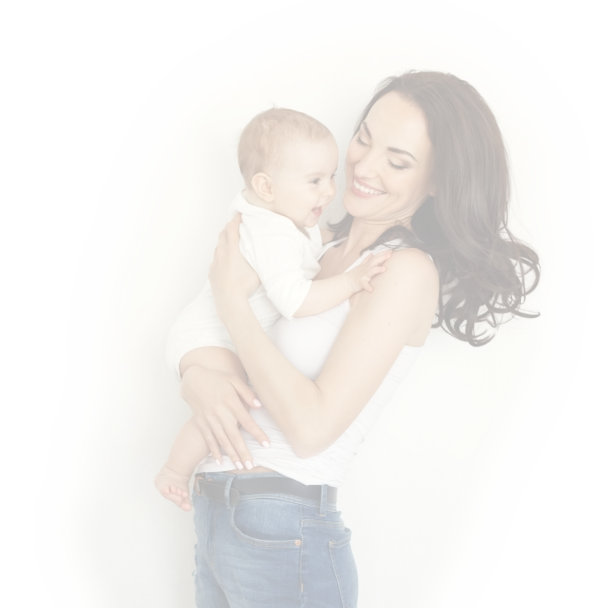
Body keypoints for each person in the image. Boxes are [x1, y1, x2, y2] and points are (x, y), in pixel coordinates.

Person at [166, 71, 540, 607]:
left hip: (283, 525)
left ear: (436, 180)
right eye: (364, 138)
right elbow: (221, 341)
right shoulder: (311, 245)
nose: (363, 166)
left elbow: (311, 429)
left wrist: (233, 305)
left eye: (398, 160)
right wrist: (197, 378)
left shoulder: (403, 270)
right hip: (221, 513)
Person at [155, 108, 390, 511]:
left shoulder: (284, 219)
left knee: (231, 398)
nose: (328, 192)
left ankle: (178, 470)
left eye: (330, 177)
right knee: (229, 400)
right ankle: (175, 472)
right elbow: (295, 301)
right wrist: (352, 281)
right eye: (314, 181)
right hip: (209, 336)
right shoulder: (272, 231)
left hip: (216, 334)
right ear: (265, 186)